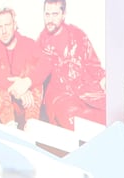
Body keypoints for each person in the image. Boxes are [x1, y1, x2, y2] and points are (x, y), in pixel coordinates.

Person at [37, 0, 107, 130]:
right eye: (47, 14)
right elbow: (35, 73)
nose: (50, 19)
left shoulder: (78, 35)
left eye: (54, 14)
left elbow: (92, 63)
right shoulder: (41, 43)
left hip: (86, 90)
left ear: (63, 14)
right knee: (73, 119)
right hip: (60, 96)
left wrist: (103, 77)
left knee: (113, 114)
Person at [0, 7, 43, 128]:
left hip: (25, 104)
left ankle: (32, 124)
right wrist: (17, 88)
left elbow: (44, 64)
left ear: (14, 25)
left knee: (35, 75)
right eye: (0, 27)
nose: (4, 31)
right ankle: (9, 125)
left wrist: (26, 82)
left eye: (7, 25)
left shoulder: (29, 44)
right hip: (0, 109)